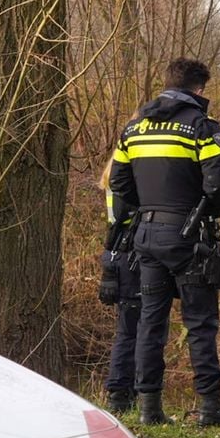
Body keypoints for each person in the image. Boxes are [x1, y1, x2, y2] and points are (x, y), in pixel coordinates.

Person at [109, 57, 220, 427]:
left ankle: (149, 408)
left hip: (146, 235)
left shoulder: (134, 128)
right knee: (200, 321)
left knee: (151, 322)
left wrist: (149, 210)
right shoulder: (201, 127)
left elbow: (119, 184)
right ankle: (210, 407)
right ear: (198, 89)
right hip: (189, 235)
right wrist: (204, 214)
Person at [97, 156, 140, 415]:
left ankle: (124, 391)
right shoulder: (127, 176)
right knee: (131, 328)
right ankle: (121, 392)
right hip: (130, 252)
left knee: (129, 327)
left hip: (119, 253)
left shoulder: (114, 172)